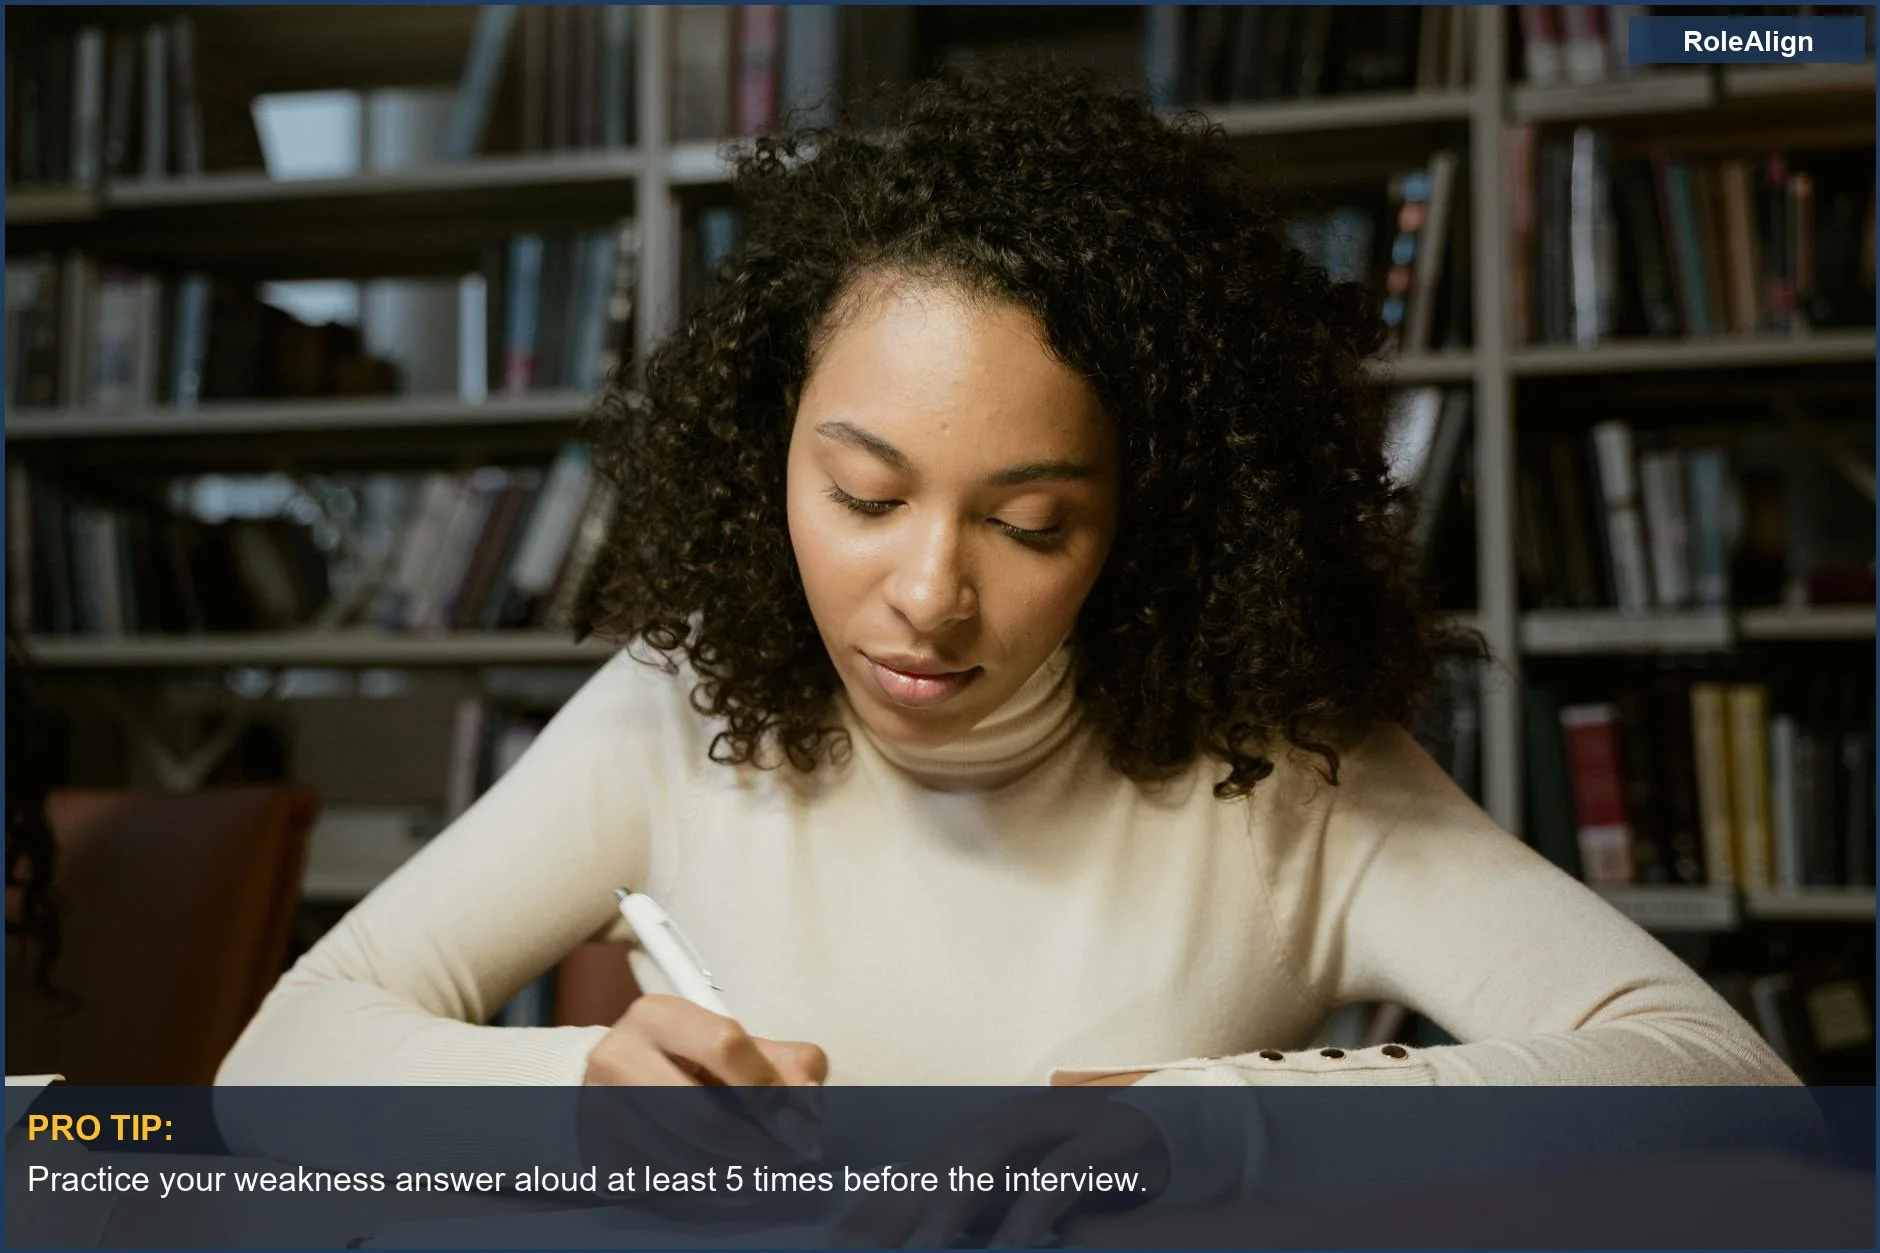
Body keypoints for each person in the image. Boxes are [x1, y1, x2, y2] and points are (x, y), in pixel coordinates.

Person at [219, 66, 1793, 1097]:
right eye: (863, 494)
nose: (927, 594)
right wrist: (578, 1093)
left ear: (1151, 525)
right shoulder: (672, 714)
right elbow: (277, 1064)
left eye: (1031, 525)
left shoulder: (1289, 775)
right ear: (767, 459)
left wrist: (1224, 1123)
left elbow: (1716, 1083)